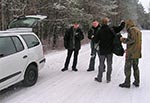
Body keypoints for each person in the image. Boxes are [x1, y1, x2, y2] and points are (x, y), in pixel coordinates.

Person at [94, 17, 125, 83]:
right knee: (109, 64)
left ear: (102, 22)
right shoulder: (112, 29)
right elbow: (120, 28)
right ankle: (108, 78)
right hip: (110, 50)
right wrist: (123, 23)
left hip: (102, 50)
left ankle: (99, 78)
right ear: (108, 22)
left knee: (101, 64)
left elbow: (96, 40)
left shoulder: (99, 30)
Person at [119, 19, 142, 88]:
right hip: (136, 52)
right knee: (136, 67)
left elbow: (131, 40)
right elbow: (135, 42)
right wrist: (128, 48)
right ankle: (137, 81)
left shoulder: (131, 30)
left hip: (131, 53)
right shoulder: (137, 30)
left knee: (127, 68)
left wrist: (123, 39)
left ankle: (127, 82)